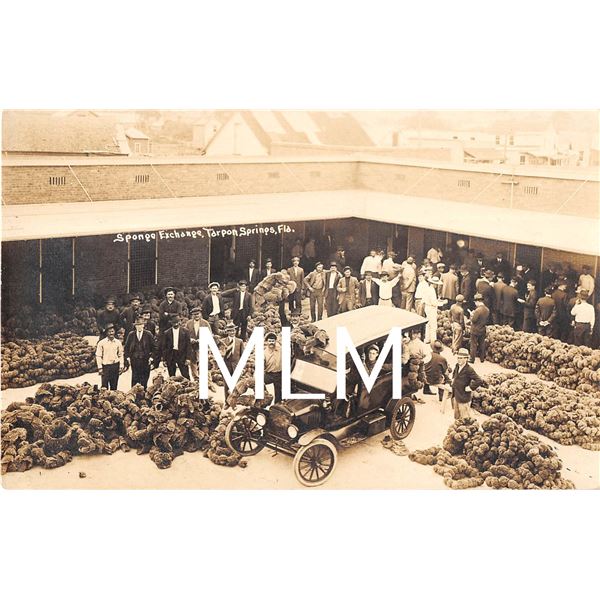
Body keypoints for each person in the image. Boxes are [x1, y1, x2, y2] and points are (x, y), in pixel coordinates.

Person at [451, 348, 485, 420]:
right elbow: (455, 373)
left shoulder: (469, 369)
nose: (459, 360)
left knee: (465, 418)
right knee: (456, 417)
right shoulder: (457, 365)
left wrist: (470, 387)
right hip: (456, 395)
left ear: (466, 359)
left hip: (464, 398)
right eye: (458, 358)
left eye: (461, 358)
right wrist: (453, 379)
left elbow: (479, 380)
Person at [124, 316, 155, 389]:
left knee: (144, 380)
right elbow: (126, 347)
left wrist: (151, 358)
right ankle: (134, 393)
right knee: (135, 379)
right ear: (135, 326)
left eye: (141, 325)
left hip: (145, 360)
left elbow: (154, 348)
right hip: (135, 360)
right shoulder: (131, 334)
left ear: (143, 325)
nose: (139, 327)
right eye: (137, 325)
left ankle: (143, 393)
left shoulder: (148, 334)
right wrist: (128, 357)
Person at [157, 314, 191, 379]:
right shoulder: (167, 333)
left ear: (180, 322)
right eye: (174, 323)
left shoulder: (185, 332)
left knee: (185, 375)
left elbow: (188, 346)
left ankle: (188, 385)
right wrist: (164, 359)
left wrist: (188, 358)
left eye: (177, 322)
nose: (176, 324)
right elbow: (164, 347)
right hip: (171, 355)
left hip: (182, 355)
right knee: (172, 375)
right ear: (171, 323)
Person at [95, 324, 125, 390]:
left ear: (114, 332)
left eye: (112, 331)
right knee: (104, 388)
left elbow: (120, 355)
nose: (111, 333)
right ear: (106, 333)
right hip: (105, 367)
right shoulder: (101, 343)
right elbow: (98, 356)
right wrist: (100, 367)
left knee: (114, 387)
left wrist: (121, 365)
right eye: (109, 332)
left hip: (115, 366)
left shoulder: (118, 342)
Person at [222, 321, 245, 403]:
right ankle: (227, 401)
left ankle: (235, 401)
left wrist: (242, 367)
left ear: (235, 331)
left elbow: (243, 355)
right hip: (226, 365)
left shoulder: (240, 341)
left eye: (233, 330)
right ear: (227, 332)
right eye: (230, 331)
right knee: (226, 384)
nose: (232, 332)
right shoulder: (223, 341)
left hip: (236, 365)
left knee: (236, 385)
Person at [185, 306, 210, 381]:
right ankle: (196, 378)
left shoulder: (205, 323)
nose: (196, 316)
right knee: (193, 362)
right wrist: (190, 339)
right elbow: (185, 334)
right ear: (192, 315)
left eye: (198, 314)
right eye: (194, 314)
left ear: (200, 314)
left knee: (202, 361)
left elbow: (209, 334)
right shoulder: (188, 323)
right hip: (192, 346)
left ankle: (202, 377)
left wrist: (201, 339)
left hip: (202, 345)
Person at [422, 276, 447, 344]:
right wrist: (443, 303)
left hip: (427, 307)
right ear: (434, 284)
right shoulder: (432, 291)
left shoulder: (428, 289)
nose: (437, 286)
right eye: (436, 284)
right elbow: (434, 303)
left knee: (428, 324)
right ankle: (433, 340)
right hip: (431, 308)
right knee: (433, 325)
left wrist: (438, 300)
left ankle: (427, 338)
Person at [468, 294, 489, 363]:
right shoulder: (487, 309)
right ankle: (482, 358)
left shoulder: (477, 310)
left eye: (475, 302)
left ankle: (472, 359)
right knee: (482, 344)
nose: (475, 304)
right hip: (482, 329)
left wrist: (471, 315)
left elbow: (474, 320)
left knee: (473, 344)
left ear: (477, 301)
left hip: (475, 330)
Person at [264, 332, 282, 403]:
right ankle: (265, 399)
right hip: (269, 375)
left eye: (273, 341)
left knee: (279, 393)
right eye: (270, 341)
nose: (271, 343)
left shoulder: (280, 349)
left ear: (275, 341)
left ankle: (277, 404)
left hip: (279, 374)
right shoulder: (264, 353)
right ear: (267, 342)